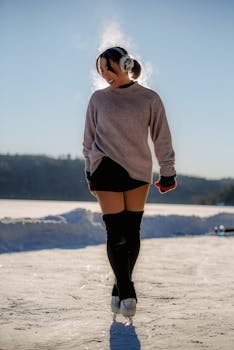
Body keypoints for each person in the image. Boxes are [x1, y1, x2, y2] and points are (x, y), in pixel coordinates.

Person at [83, 46, 176, 322]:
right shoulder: (98, 99)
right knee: (115, 232)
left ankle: (119, 285)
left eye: (109, 69)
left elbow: (161, 137)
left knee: (132, 231)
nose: (105, 76)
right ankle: (127, 290)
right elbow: (88, 141)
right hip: (104, 168)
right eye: (101, 71)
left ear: (124, 64)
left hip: (138, 171)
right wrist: (89, 171)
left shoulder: (149, 98)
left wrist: (167, 171)